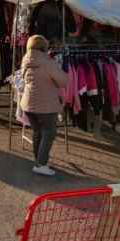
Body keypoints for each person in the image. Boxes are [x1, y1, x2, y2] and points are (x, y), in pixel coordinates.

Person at [19, 34, 68, 176]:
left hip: (28, 104)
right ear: (43, 47)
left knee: (38, 132)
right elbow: (63, 81)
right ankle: (40, 164)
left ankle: (39, 161)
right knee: (49, 132)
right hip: (46, 105)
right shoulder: (48, 62)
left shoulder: (25, 59)